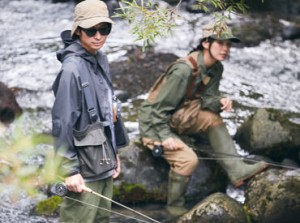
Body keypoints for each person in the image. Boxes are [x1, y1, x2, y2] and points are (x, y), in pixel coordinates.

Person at [138, 22, 268, 216]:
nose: (225, 49)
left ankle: (236, 169)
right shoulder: (183, 70)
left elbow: (207, 99)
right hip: (154, 124)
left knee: (213, 119)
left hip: (180, 115)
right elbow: (157, 109)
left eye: (228, 45)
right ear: (206, 43)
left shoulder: (216, 68)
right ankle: (174, 207)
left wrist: (220, 101)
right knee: (188, 160)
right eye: (220, 43)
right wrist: (165, 137)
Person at [51, 0, 128, 222]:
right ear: (77, 31)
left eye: (104, 29)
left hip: (103, 162)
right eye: (91, 30)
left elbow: (109, 111)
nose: (98, 36)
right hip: (84, 169)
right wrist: (70, 171)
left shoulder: (100, 58)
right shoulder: (71, 70)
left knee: (102, 218)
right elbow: (62, 123)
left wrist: (115, 153)